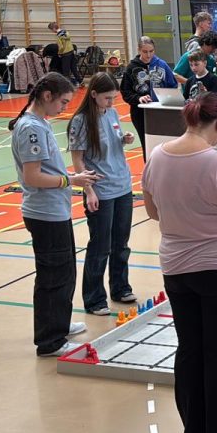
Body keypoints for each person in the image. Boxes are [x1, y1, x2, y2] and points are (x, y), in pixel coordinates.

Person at [142, 92, 217, 433]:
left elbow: (153, 212)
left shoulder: (157, 156)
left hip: (176, 267)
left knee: (189, 348)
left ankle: (193, 432)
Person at [9, 72, 100, 356]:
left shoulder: (41, 124)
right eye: (62, 102)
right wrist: (71, 180)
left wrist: (72, 178)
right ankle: (50, 340)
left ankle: (58, 322)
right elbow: (33, 176)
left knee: (64, 272)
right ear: (47, 96)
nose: (64, 108)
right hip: (44, 213)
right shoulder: (31, 129)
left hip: (55, 211)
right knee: (53, 277)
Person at [68, 73, 137, 316]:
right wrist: (89, 190)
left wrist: (124, 139)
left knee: (121, 243)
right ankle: (94, 298)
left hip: (122, 185)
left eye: (114, 98)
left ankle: (120, 287)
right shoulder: (80, 121)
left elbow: (113, 141)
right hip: (101, 190)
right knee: (100, 246)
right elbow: (77, 159)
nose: (111, 102)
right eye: (107, 98)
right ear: (94, 94)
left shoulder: (112, 113)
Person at [120, 37, 178, 149]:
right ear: (139, 50)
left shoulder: (162, 64)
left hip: (161, 112)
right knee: (147, 145)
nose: (148, 55)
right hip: (140, 113)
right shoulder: (131, 68)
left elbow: (173, 86)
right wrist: (138, 98)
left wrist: (166, 98)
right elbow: (126, 92)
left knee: (163, 144)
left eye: (151, 51)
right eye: (145, 52)